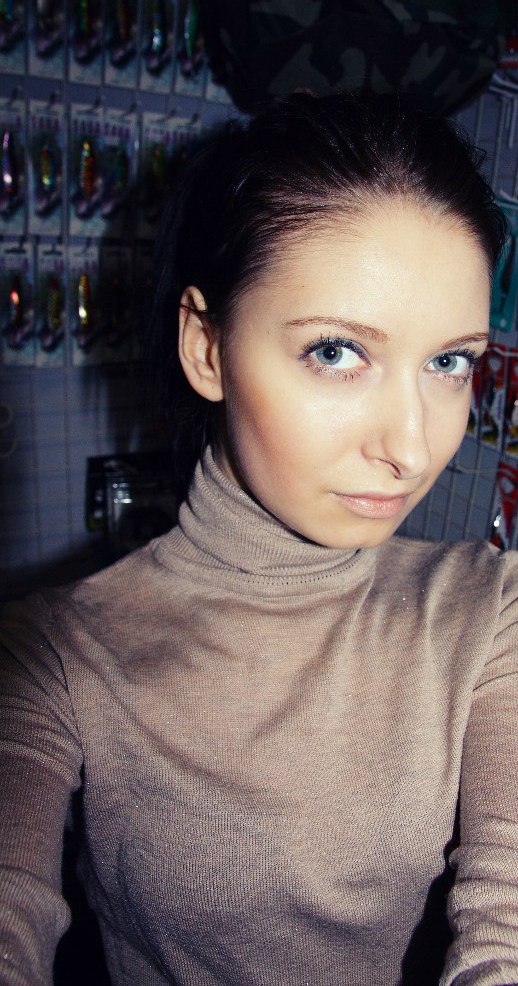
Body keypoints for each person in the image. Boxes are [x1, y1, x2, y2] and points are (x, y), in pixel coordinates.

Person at [0, 91, 516, 986]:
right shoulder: (54, 655)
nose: (411, 446)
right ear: (207, 349)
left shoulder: (484, 613)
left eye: (448, 361)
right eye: (336, 351)